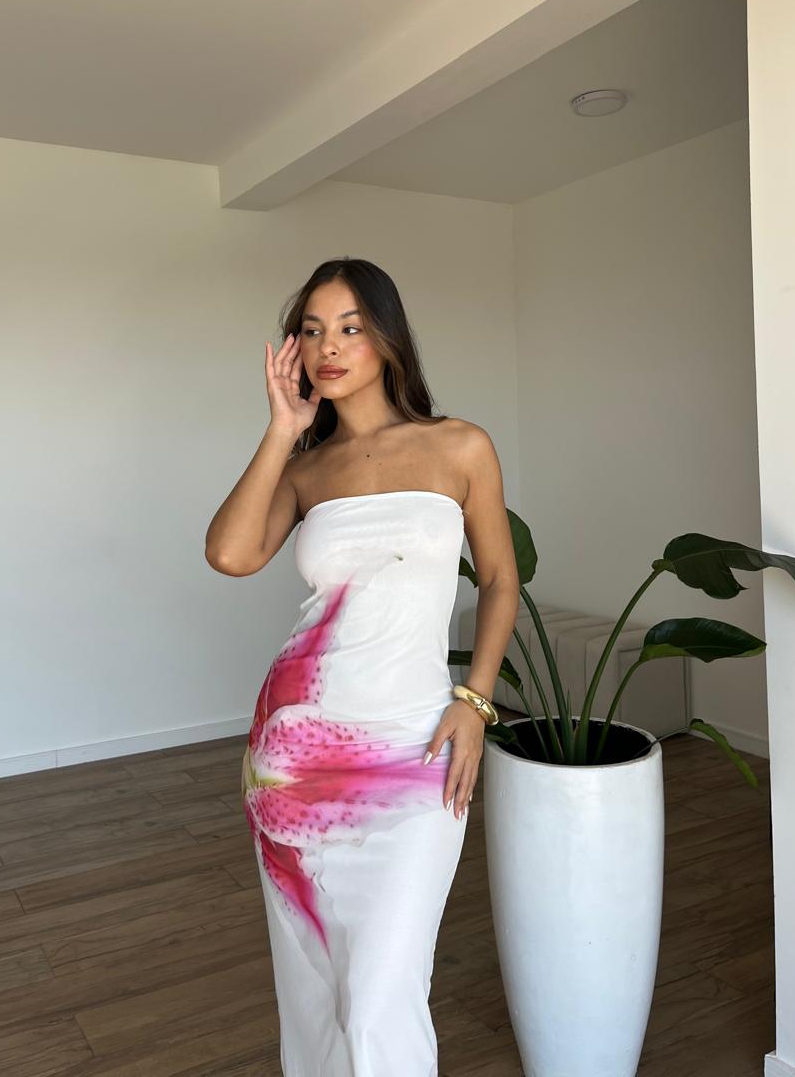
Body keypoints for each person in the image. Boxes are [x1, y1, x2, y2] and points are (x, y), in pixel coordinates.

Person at [205, 256, 519, 1076]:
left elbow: (499, 580)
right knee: (314, 988)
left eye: (349, 328)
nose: (329, 347)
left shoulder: (460, 446)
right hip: (296, 753)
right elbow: (230, 554)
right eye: (312, 331)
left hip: (418, 744)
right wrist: (281, 430)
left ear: (386, 338)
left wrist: (475, 702)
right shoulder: (305, 471)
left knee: (383, 993)